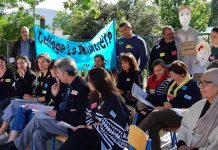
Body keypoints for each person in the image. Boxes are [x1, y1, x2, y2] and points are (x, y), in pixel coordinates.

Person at [0, 57, 90, 150]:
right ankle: (14, 144)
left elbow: (81, 117)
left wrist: (56, 114)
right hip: (62, 121)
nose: (57, 75)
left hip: (72, 127)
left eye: (58, 72)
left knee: (37, 120)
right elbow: (61, 105)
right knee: (37, 133)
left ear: (65, 73)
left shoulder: (80, 87)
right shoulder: (70, 84)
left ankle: (15, 146)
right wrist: (55, 96)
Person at [59, 67, 130, 150]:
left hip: (113, 141)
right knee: (79, 139)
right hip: (99, 134)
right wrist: (88, 126)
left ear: (98, 82)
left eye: (90, 81)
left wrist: (86, 127)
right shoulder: (95, 96)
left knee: (79, 135)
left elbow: (112, 127)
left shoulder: (114, 99)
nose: (88, 83)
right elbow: (89, 115)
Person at [138, 60, 202, 150]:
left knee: (155, 114)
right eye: (170, 74)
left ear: (182, 74)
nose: (171, 77)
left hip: (184, 116)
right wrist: (165, 102)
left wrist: (170, 105)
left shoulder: (193, 85)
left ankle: (135, 137)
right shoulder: (173, 82)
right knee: (153, 127)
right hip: (169, 113)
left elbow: (188, 104)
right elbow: (164, 97)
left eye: (173, 75)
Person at [177, 68, 218, 150]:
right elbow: (184, 127)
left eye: (205, 83)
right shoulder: (198, 105)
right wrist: (181, 144)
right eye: (200, 83)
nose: (201, 86)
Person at [0, 55, 36, 141]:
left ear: (27, 63)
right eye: (18, 63)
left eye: (22, 63)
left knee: (6, 105)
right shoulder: (18, 73)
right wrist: (20, 78)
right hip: (16, 97)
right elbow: (15, 88)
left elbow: (26, 92)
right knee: (3, 105)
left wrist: (22, 78)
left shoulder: (31, 74)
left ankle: (3, 131)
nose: (20, 65)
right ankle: (4, 131)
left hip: (24, 99)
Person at [175, 5, 198, 75]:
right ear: (179, 17)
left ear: (190, 17)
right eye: (182, 15)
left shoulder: (195, 32)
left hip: (194, 64)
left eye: (187, 14)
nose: (185, 18)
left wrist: (198, 58)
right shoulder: (177, 33)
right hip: (182, 64)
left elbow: (199, 46)